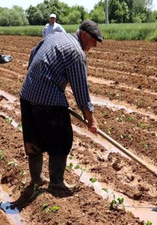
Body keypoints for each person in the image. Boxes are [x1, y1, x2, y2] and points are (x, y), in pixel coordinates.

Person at [20, 20, 103, 195]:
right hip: (48, 98)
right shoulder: (76, 53)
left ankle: (37, 179)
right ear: (84, 35)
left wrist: (36, 78)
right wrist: (91, 119)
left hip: (27, 93)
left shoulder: (55, 36)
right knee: (61, 140)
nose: (95, 45)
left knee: (33, 139)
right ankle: (56, 184)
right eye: (94, 40)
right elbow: (81, 90)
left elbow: (33, 53)